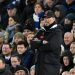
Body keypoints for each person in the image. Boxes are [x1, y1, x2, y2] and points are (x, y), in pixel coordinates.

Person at [30, 10, 63, 75]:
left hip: (50, 66)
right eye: (45, 18)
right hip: (39, 65)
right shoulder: (41, 31)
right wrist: (42, 42)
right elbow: (32, 44)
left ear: (53, 18)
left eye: (48, 18)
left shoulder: (57, 32)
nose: (46, 19)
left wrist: (38, 46)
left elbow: (51, 46)